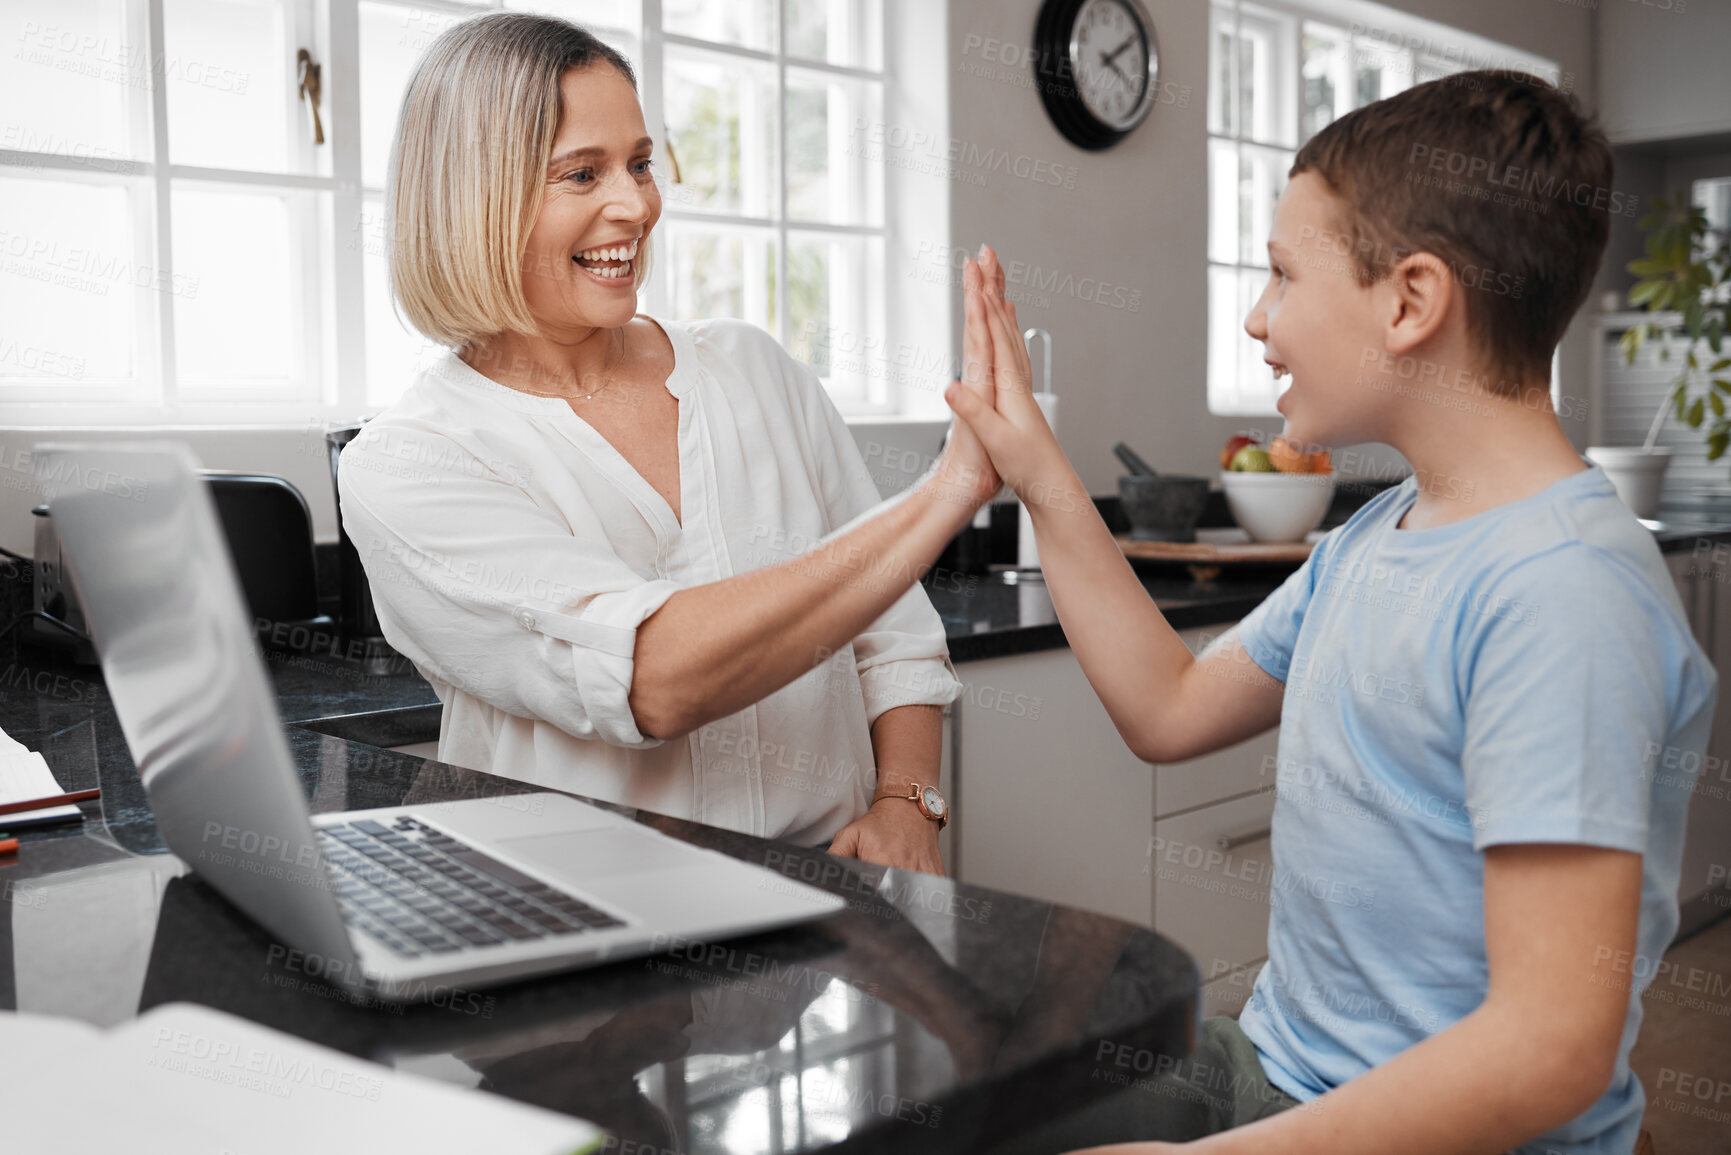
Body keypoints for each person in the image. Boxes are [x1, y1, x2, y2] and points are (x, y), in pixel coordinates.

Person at [946, 72, 1715, 1154]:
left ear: (1410, 301)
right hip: (1283, 1077)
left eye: (1280, 274)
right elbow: (1167, 707)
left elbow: (1551, 1047)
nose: (1260, 317)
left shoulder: (1564, 595)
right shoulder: (1376, 534)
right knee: (962, 1104)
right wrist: (1037, 468)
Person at [339, 12, 1004, 872]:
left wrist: (908, 804)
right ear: (475, 199)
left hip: (834, 899)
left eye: (641, 163)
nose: (637, 205)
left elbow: (895, 632)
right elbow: (654, 676)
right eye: (582, 174)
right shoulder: (408, 462)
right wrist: (947, 490)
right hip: (595, 934)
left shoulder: (752, 370)